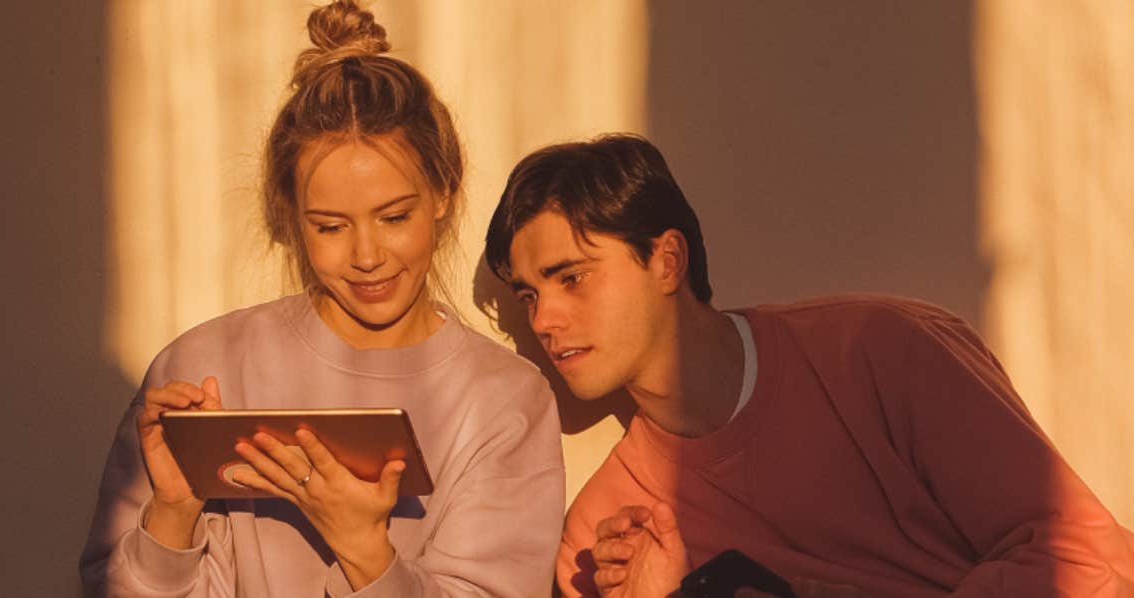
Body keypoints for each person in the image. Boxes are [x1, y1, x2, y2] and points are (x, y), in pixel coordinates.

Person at [484, 133, 1134, 597]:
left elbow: (1088, 557)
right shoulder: (601, 538)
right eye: (528, 295)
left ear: (666, 262)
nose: (543, 320)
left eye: (571, 278)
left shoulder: (884, 350)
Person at [80, 2, 565, 596]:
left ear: (443, 191)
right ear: (291, 217)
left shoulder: (505, 401)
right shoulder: (203, 367)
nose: (367, 256)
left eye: (393, 217)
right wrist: (174, 514)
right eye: (330, 227)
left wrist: (365, 550)